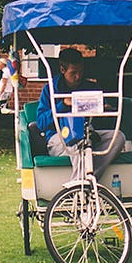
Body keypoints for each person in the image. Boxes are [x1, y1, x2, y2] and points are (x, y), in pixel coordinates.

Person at [35, 47, 127, 179]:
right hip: (59, 138)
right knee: (78, 140)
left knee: (118, 137)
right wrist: (63, 104)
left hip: (88, 135)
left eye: (81, 72)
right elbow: (41, 122)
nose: (78, 76)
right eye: (73, 73)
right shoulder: (50, 89)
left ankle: (88, 181)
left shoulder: (91, 87)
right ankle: (81, 189)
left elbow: (104, 120)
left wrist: (104, 109)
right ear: (62, 70)